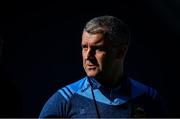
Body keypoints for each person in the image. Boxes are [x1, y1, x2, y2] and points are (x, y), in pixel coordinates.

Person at [39, 15, 167, 118]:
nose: (88, 56)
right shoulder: (64, 100)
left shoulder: (149, 98)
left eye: (98, 48)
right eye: (84, 47)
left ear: (121, 52)